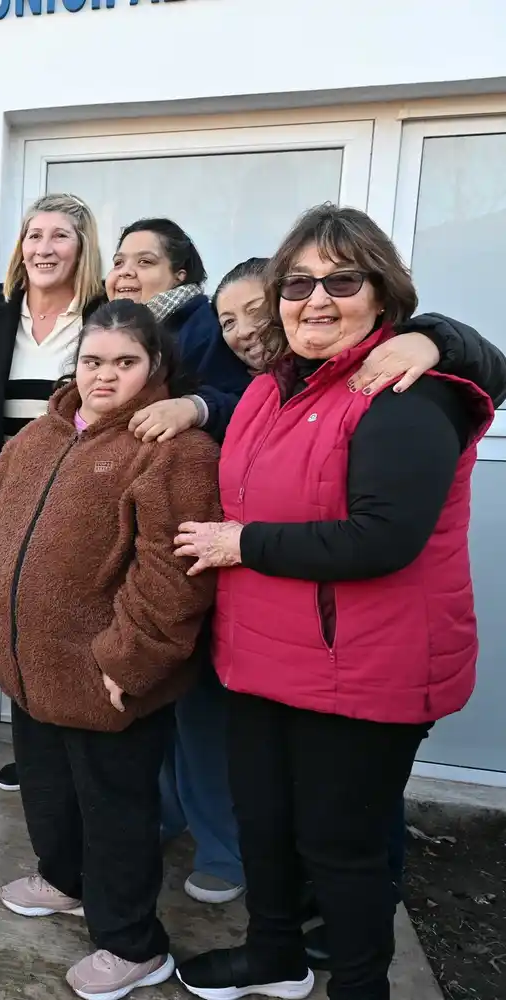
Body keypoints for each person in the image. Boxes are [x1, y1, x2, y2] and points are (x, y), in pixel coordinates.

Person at [173, 205, 497, 1000]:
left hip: (365, 670)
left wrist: (239, 544)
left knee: (341, 850)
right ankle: (275, 955)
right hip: (263, 657)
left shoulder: (407, 391)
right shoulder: (267, 392)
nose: (317, 300)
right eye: (299, 283)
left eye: (342, 281)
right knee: (266, 826)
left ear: (382, 294)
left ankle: (360, 986)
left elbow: (383, 539)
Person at [0, 299, 221, 1000]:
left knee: (117, 813)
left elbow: (173, 573)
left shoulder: (175, 451)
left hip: (106, 677)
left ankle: (133, 945)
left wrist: (129, 660)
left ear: (155, 367)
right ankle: (65, 882)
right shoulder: (41, 435)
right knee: (49, 792)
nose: (104, 376)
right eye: (92, 361)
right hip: (31, 668)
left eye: (125, 362)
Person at [0, 194, 109, 795]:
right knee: (6, 608)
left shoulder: (102, 309)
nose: (43, 248)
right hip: (4, 484)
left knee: (60, 614)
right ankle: (35, 748)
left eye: (60, 236)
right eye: (34, 235)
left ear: (82, 247)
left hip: (74, 486)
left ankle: (65, 745)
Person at [104, 218, 252, 443]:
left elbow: (247, 403)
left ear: (179, 275)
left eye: (144, 262)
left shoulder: (204, 325)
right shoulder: (104, 329)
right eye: (118, 263)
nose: (125, 272)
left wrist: (194, 408)